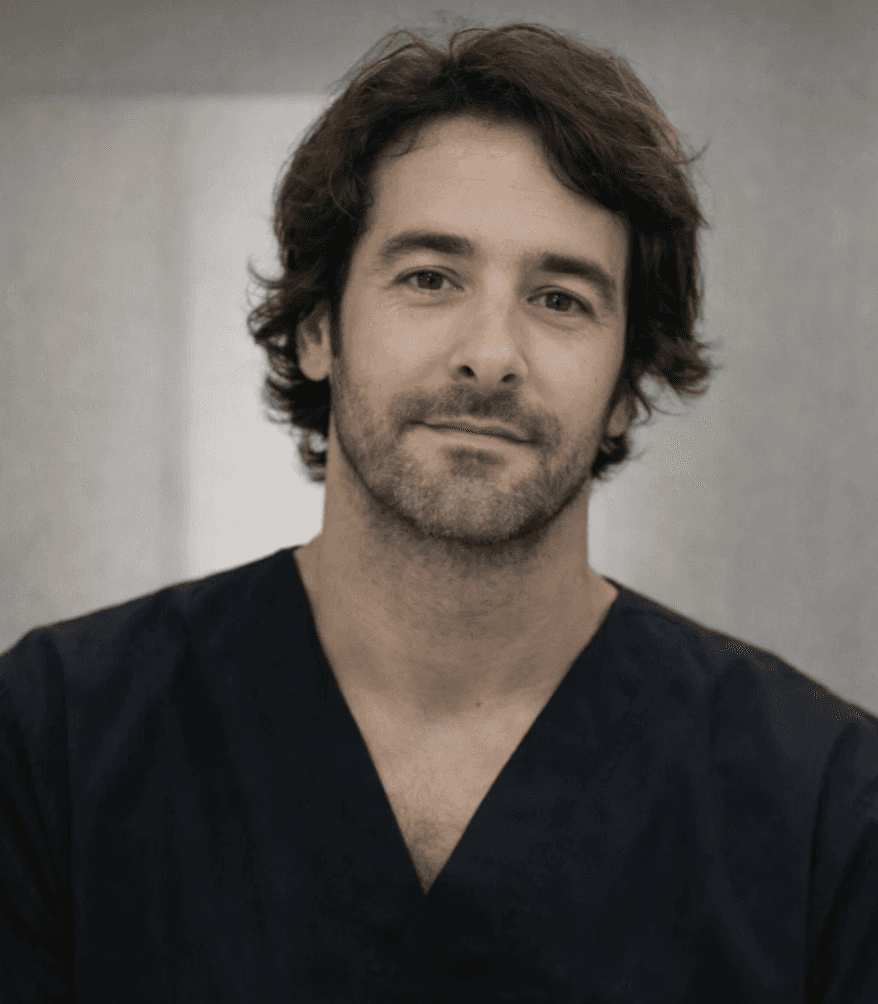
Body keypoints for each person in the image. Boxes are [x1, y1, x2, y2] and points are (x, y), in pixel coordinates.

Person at [2, 19, 876, 1004]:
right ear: (318, 328)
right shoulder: (53, 742)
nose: (490, 354)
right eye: (429, 277)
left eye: (560, 298)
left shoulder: (825, 806)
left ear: (628, 385)